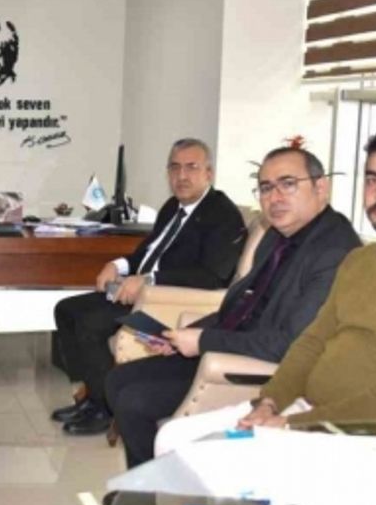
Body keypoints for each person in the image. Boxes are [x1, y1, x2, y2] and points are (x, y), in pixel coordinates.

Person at [154, 125, 376, 457]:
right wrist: (270, 402)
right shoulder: (360, 261)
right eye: (373, 179)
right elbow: (312, 342)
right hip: (306, 412)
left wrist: (291, 424)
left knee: (195, 457)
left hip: (375, 439)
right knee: (172, 438)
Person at [105, 145, 360, 467]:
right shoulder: (278, 236)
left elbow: (291, 344)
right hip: (234, 344)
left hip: (264, 368)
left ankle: (154, 487)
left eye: (288, 184)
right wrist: (186, 334)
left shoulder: (334, 252)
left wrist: (203, 341)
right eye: (266, 187)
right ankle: (147, 484)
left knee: (135, 401)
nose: (275, 197)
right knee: (117, 380)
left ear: (321, 187)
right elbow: (243, 306)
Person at [52, 138, 245, 436]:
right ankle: (92, 395)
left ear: (209, 173)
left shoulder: (222, 215)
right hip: (140, 293)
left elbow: (212, 276)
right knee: (66, 310)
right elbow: (147, 253)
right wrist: (117, 265)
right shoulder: (172, 207)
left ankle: (105, 409)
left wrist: (150, 280)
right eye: (175, 167)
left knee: (90, 322)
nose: (182, 176)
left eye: (191, 167)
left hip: (167, 303)